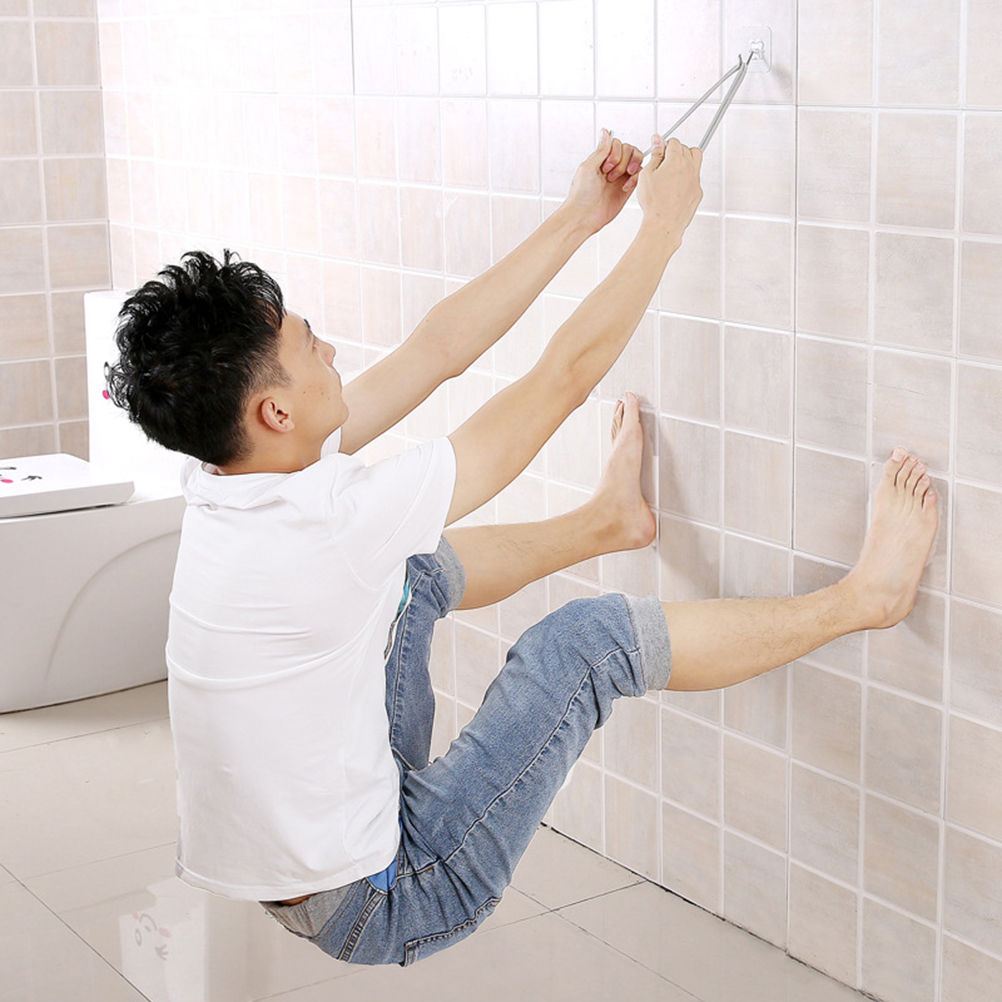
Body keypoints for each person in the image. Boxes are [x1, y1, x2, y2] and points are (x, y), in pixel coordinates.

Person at [106, 131, 939, 967]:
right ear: (276, 413)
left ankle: (609, 521)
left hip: (311, 863)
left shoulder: (231, 476)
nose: (329, 351)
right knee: (583, 644)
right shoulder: (325, 525)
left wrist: (580, 217)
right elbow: (560, 381)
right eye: (309, 344)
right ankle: (865, 599)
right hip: (390, 890)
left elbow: (436, 349)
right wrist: (663, 227)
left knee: (408, 575)